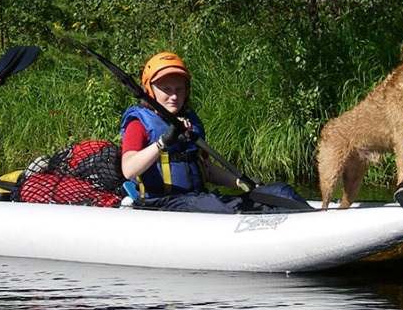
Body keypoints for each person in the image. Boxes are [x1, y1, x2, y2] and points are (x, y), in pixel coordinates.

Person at [119, 52, 308, 213]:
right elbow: (128, 170)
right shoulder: (138, 124)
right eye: (166, 89)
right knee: (214, 205)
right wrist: (163, 142)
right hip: (162, 204)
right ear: (150, 91)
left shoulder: (190, 121)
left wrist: (241, 182)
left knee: (280, 191)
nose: (174, 96)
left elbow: (206, 170)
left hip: (198, 199)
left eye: (179, 89)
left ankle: (313, 220)